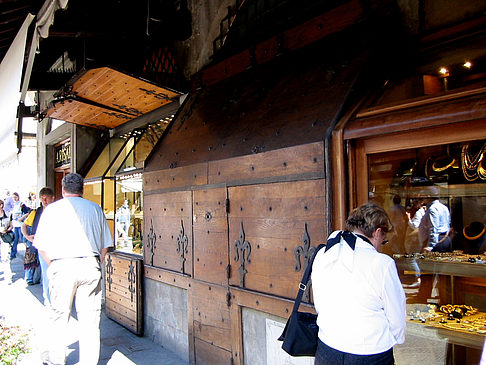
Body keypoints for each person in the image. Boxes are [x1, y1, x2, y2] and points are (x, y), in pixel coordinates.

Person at [311, 202, 406, 365]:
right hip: (370, 352)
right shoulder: (382, 263)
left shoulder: (323, 253)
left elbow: (319, 301)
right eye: (384, 241)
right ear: (377, 232)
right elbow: (396, 316)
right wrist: (392, 339)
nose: (381, 247)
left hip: (327, 347)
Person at [34, 173, 113, 365]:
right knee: (90, 320)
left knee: (60, 316)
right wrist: (97, 262)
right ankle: (89, 362)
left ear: (62, 190)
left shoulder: (51, 210)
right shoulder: (95, 209)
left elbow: (42, 246)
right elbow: (105, 245)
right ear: (82, 190)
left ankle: (56, 359)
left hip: (62, 265)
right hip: (90, 264)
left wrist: (54, 265)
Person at [21, 187, 55, 293]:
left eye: (46, 199)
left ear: (52, 198)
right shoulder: (36, 212)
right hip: (42, 246)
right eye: (42, 199)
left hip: (55, 246)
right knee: (46, 274)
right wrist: (27, 236)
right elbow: (24, 225)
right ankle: (48, 299)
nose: (44, 201)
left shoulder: (58, 211)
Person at [419, 186, 452, 252]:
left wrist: (430, 246)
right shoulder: (443, 207)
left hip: (437, 241)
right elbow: (448, 224)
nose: (422, 198)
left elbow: (433, 228)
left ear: (428, 196)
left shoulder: (433, 208)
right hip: (444, 238)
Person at [9, 192, 31, 260]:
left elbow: (27, 212)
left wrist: (21, 218)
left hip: (21, 225)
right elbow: (12, 216)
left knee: (23, 239)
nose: (14, 199)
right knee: (15, 240)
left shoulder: (21, 204)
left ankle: (28, 252)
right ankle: (13, 254)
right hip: (16, 225)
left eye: (15, 197)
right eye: (13, 197)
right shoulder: (14, 205)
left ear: (18, 197)